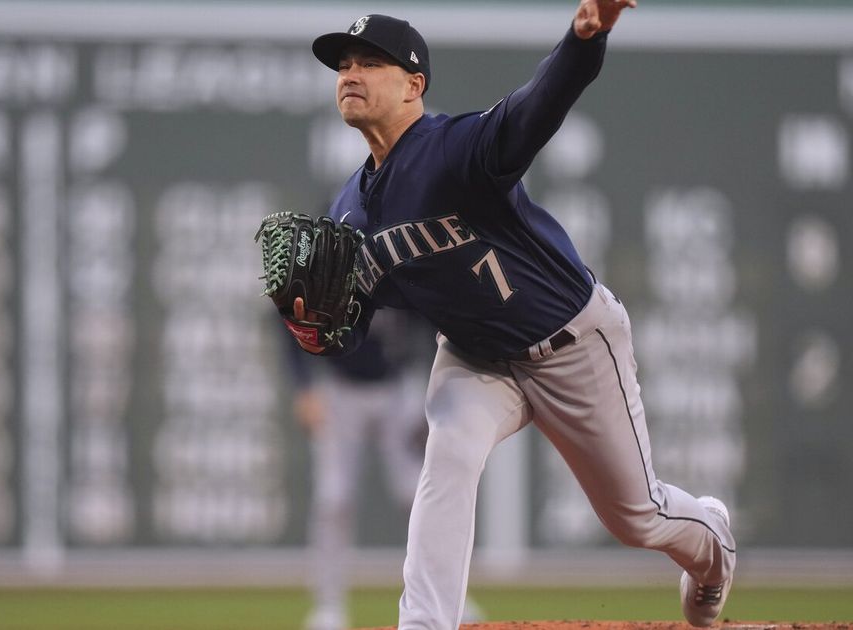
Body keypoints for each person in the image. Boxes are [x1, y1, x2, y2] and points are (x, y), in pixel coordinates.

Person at [286, 2, 737, 628]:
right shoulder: (349, 215)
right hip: (476, 358)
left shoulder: (455, 149)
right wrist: (319, 334)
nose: (350, 73)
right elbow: (356, 320)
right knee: (447, 457)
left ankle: (712, 542)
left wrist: (585, 36)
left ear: (414, 85)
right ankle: (425, 622)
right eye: (344, 64)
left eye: (370, 63)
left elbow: (537, 106)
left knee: (637, 516)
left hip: (573, 341)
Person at [286, 311, 484, 630]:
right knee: (334, 499)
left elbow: (439, 325)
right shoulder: (335, 268)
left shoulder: (399, 266)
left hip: (398, 388)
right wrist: (304, 386)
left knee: (418, 493)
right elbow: (292, 320)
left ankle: (453, 596)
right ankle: (328, 607)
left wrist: (436, 392)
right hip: (340, 390)